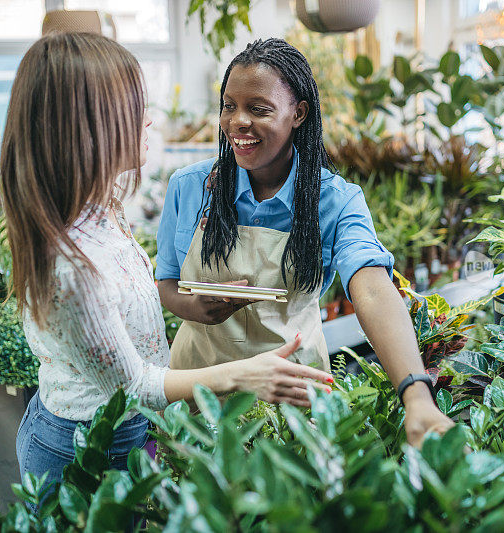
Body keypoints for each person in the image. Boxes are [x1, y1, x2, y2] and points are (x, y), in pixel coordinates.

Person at [2, 32, 333, 486]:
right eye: (135, 110)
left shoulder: (99, 206)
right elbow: (133, 386)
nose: (150, 121)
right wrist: (247, 374)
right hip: (85, 447)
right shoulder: (73, 268)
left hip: (132, 429)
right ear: (89, 128)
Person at [156, 38, 454, 448]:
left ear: (299, 113)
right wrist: (193, 308)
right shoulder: (189, 188)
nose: (237, 121)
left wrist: (416, 395)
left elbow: (371, 287)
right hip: (198, 393)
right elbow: (167, 283)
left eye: (258, 109)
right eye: (229, 106)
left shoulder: (333, 200)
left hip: (289, 398)